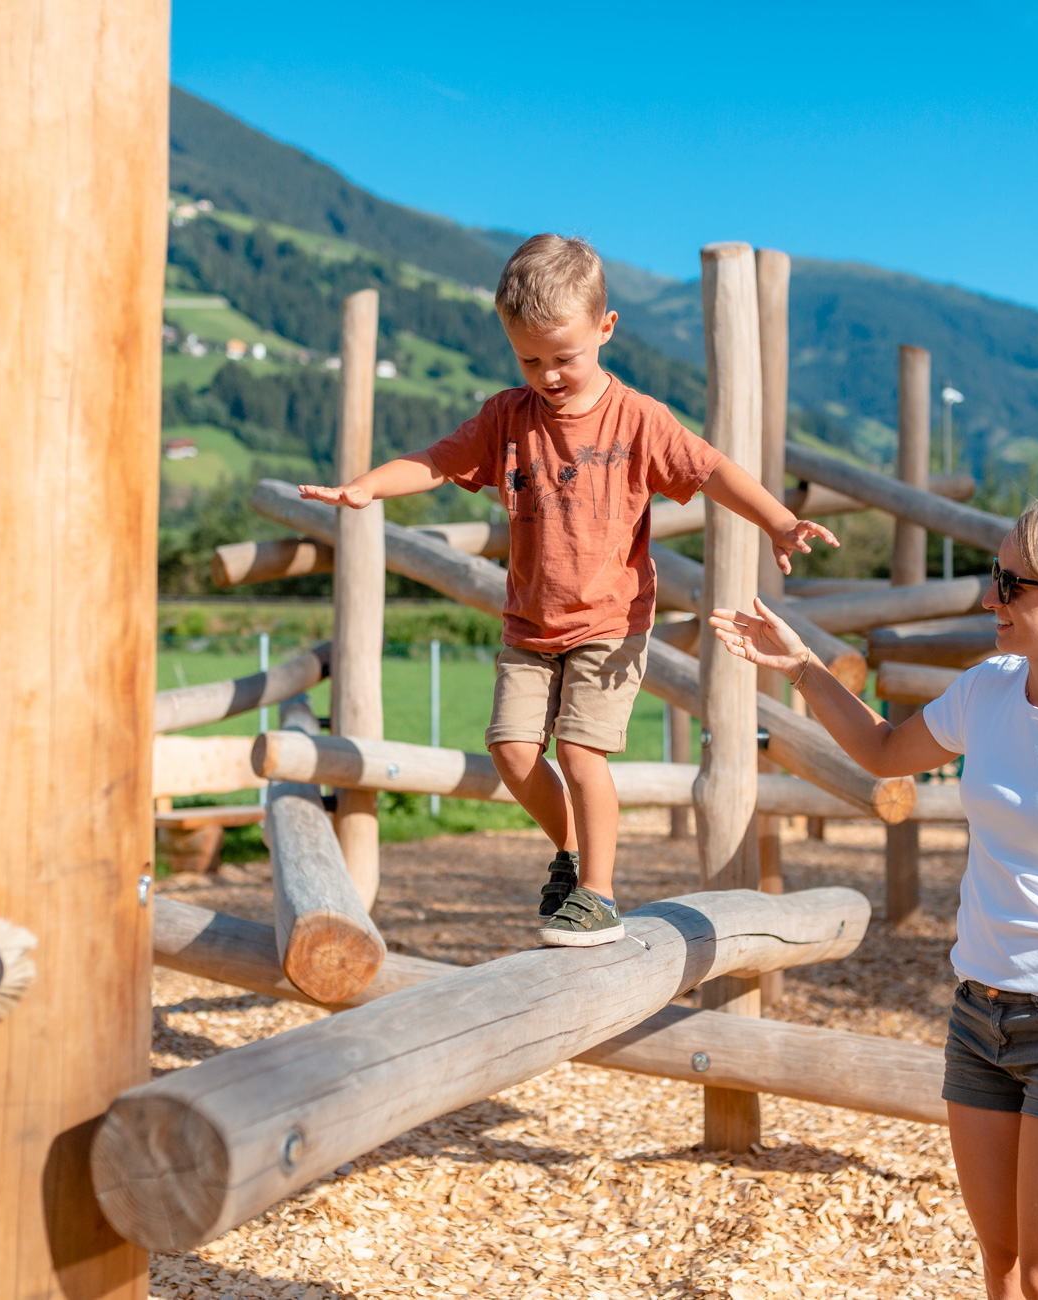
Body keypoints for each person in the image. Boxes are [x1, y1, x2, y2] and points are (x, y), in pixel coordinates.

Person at [707, 499, 1038, 1300]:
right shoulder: (989, 691)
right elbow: (882, 752)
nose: (988, 598)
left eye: (1009, 583)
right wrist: (800, 666)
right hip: (979, 1015)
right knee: (1000, 1261)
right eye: (992, 577)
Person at [300, 233, 837, 947]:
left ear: (605, 329)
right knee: (512, 750)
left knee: (582, 755)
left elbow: (709, 471)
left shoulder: (636, 419)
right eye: (530, 359)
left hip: (610, 623)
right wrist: (368, 486)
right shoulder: (506, 418)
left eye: (564, 357)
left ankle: (600, 895)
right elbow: (435, 462)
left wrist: (776, 518)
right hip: (529, 623)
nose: (548, 375)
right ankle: (575, 849)